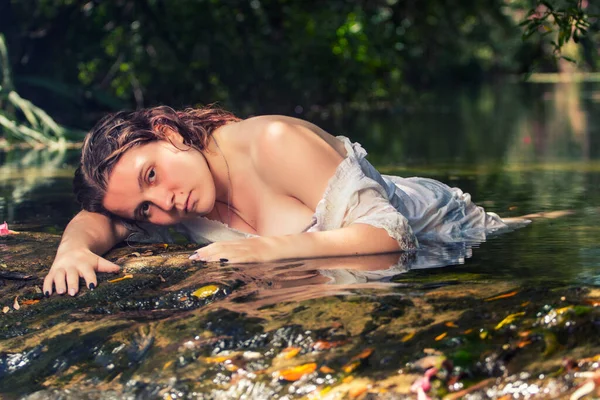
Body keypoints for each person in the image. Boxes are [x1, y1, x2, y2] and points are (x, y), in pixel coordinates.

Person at [43, 106, 525, 297]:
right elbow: (97, 220)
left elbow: (392, 237)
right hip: (364, 220)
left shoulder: (274, 141)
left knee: (519, 226)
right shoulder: (180, 199)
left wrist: (267, 250)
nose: (165, 203)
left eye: (151, 174)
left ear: (168, 132)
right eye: (145, 209)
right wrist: (72, 253)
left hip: (444, 224)